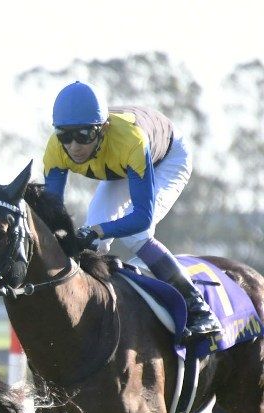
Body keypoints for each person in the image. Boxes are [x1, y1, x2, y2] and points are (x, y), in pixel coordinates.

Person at [43, 80, 221, 340]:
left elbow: (141, 218)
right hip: (122, 167)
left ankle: (199, 309)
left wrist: (97, 230)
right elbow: (52, 215)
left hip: (167, 158)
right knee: (94, 248)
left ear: (102, 129)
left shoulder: (130, 141)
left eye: (83, 135)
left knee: (136, 236)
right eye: (65, 136)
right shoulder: (55, 150)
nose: (74, 146)